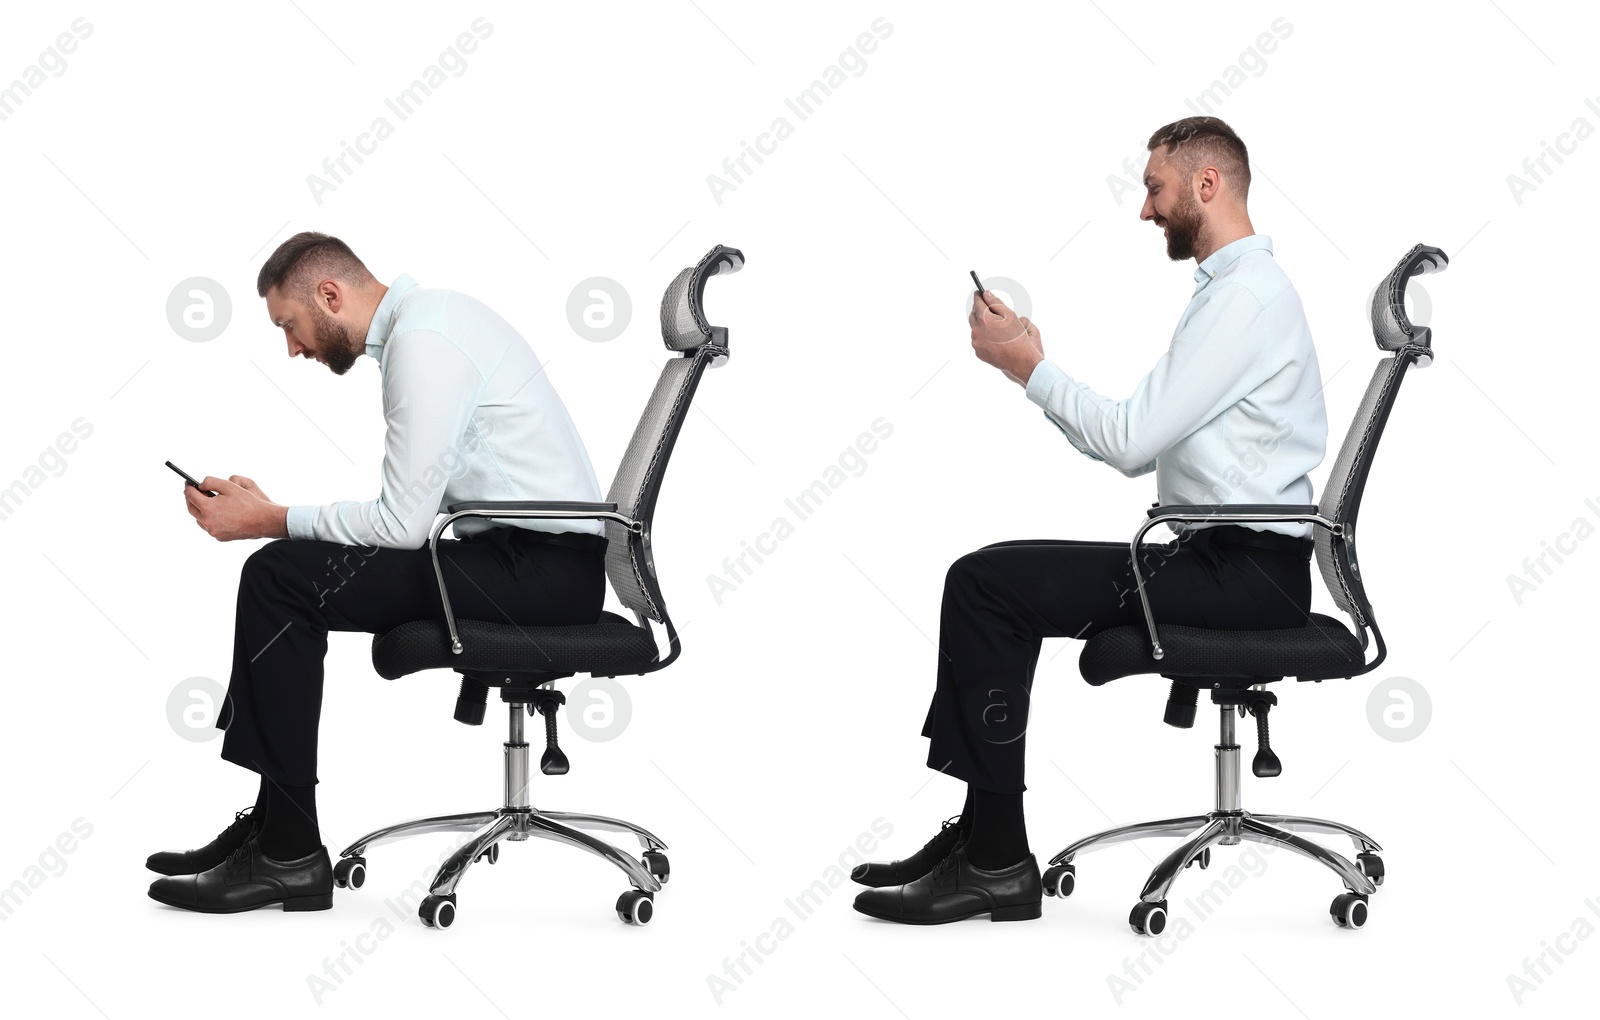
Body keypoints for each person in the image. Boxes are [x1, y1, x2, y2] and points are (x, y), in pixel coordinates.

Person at [852, 116, 1329, 924]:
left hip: (1240, 573)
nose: (1146, 210)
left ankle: (996, 857)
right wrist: (1032, 366)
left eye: (1155, 187)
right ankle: (981, 831)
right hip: (1231, 564)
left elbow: (1129, 440)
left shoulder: (1244, 301)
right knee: (989, 574)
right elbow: (1138, 447)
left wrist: (1027, 369)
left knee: (986, 585)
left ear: (1206, 184)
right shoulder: (1238, 294)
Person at [147, 232, 609, 913]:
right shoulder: (428, 328)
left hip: (539, 570)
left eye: (290, 325)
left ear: (329, 297)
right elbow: (411, 520)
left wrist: (269, 517)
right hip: (522, 559)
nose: (293, 348)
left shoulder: (423, 344)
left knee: (280, 575)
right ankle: (278, 826)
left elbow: (401, 526)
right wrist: (275, 520)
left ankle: (289, 852)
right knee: (281, 572)